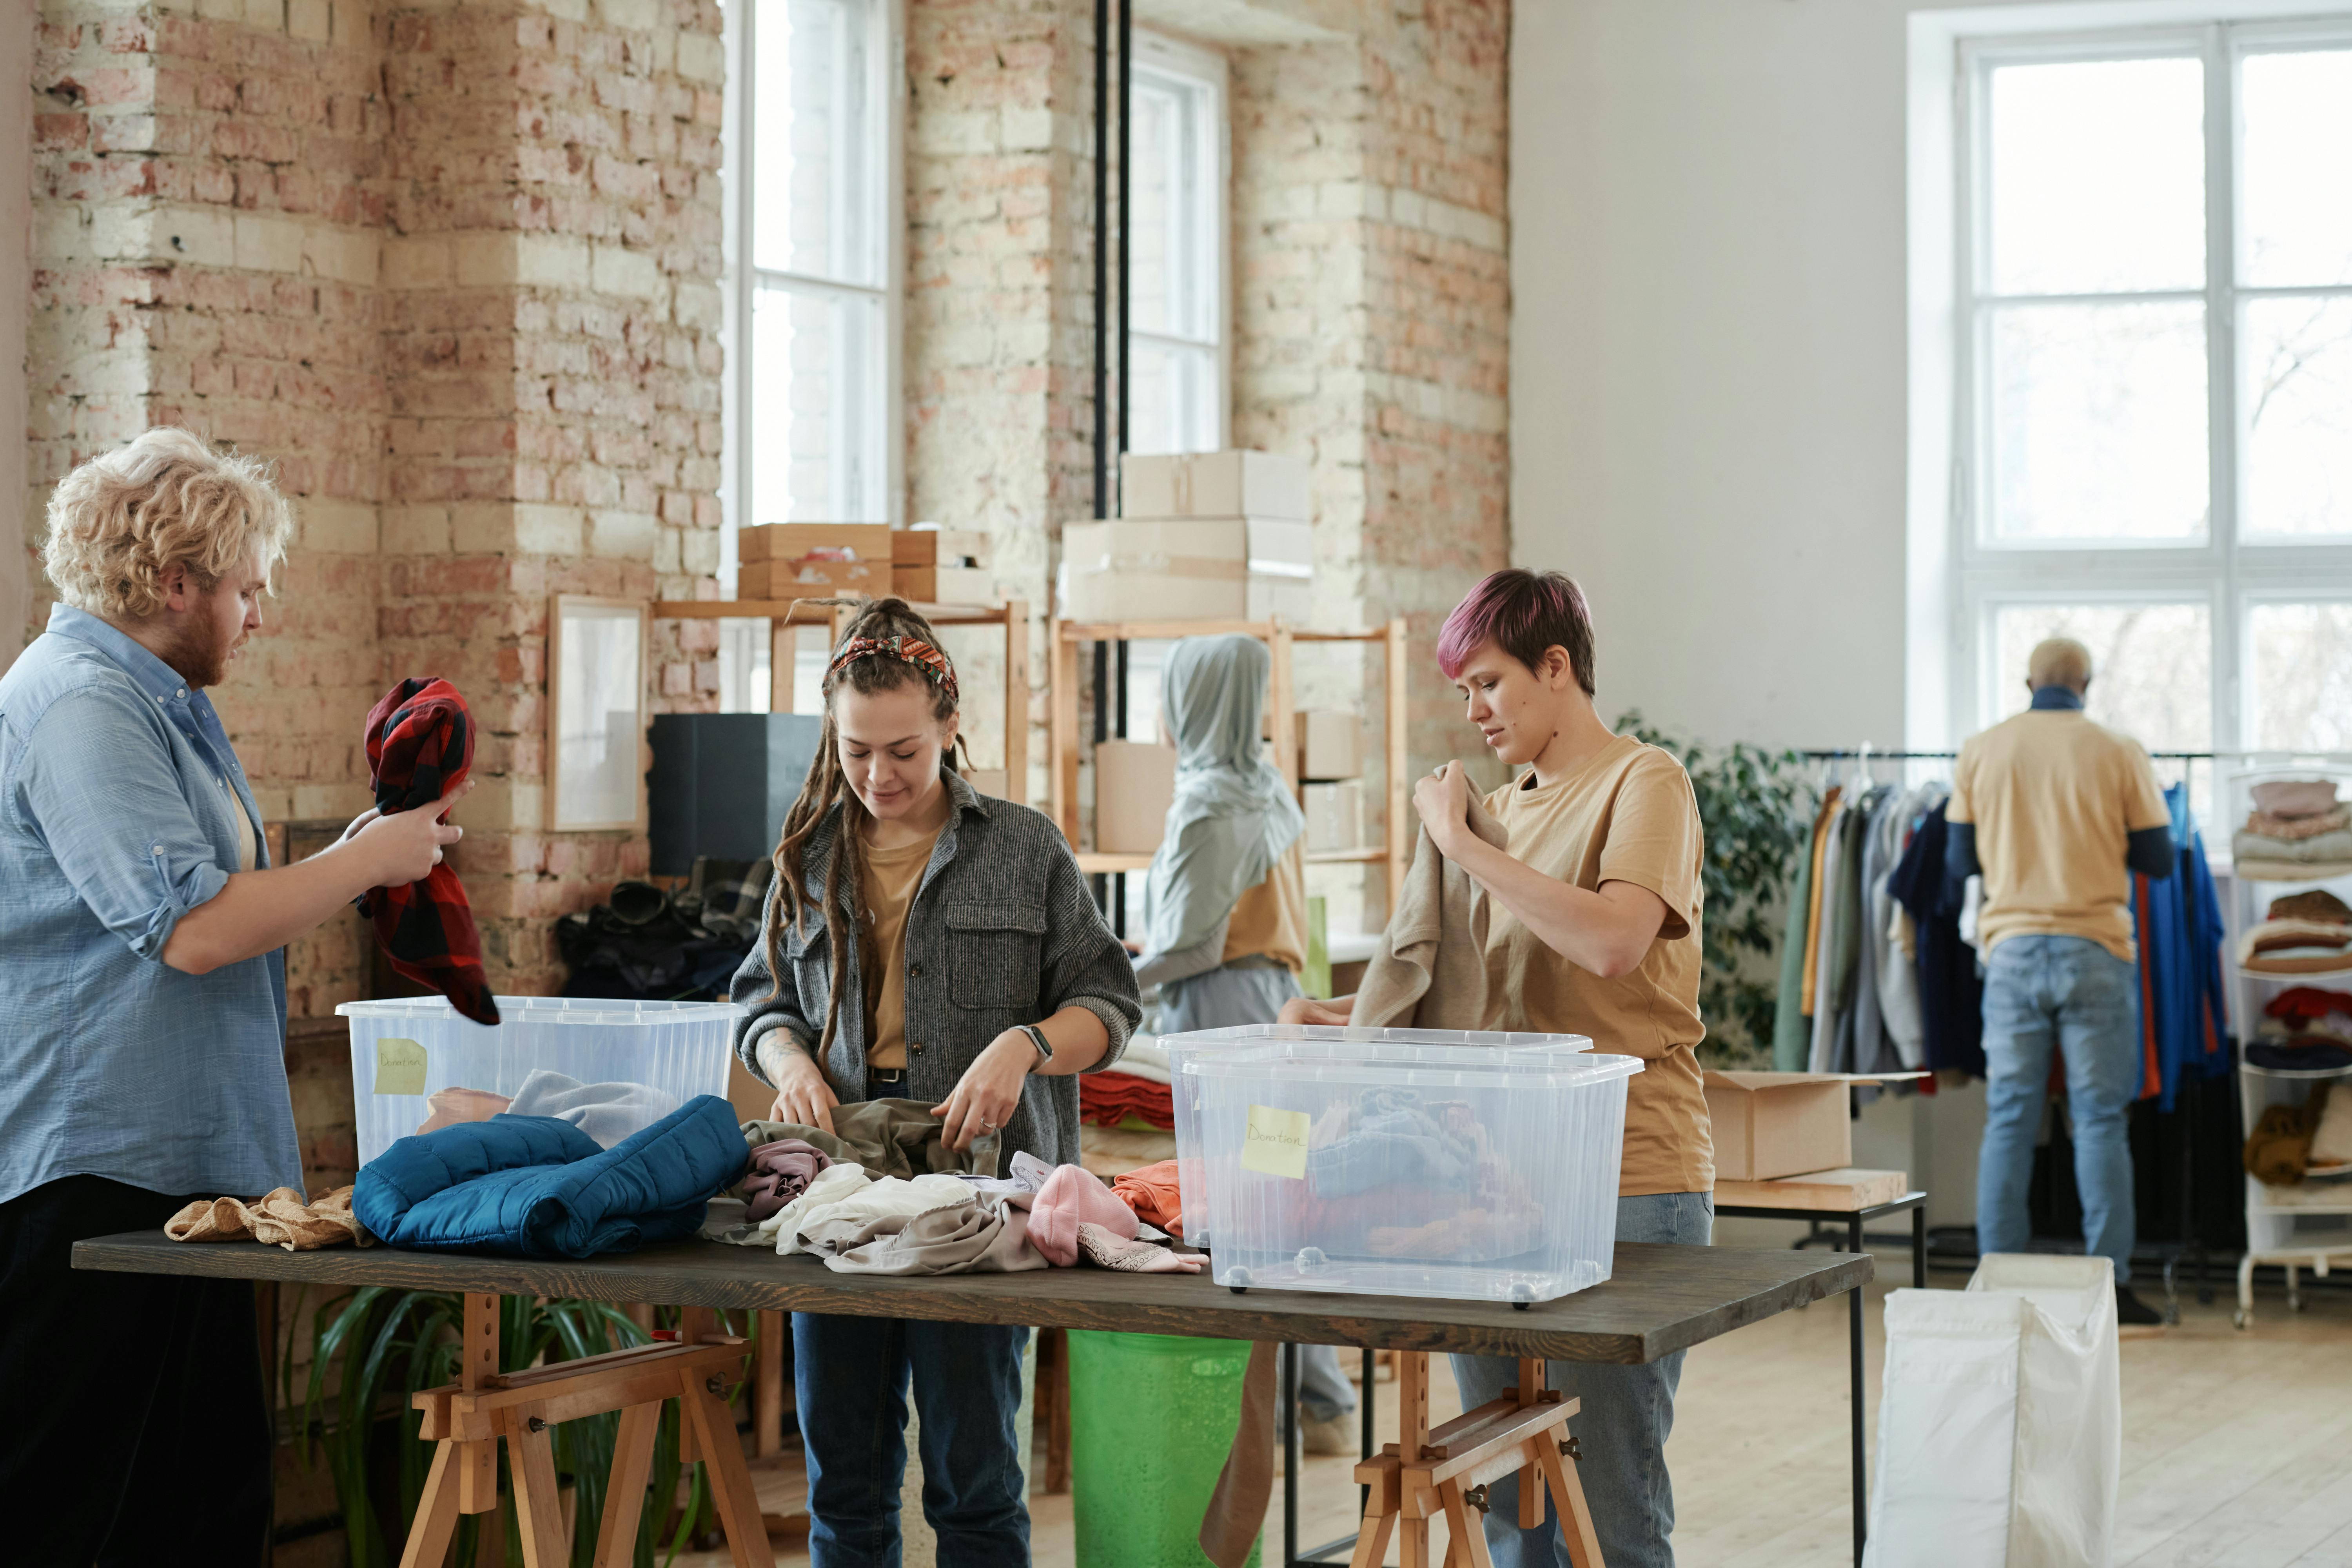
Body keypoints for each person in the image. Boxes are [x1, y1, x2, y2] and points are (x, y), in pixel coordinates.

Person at [0, 429, 468, 1564]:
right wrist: (362, 863)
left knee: (206, 1509)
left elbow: (219, 896)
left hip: (182, 1170)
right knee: (76, 1515)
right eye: (245, 590)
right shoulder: (79, 705)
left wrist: (361, 850)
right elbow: (196, 931)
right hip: (92, 1176)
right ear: (175, 582)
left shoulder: (152, 700)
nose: (258, 616)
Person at [1282, 568, 1711, 1568]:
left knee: (1612, 1509)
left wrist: (1459, 844)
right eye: (1463, 690)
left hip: (1627, 1182)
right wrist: (1341, 1020)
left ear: (1556, 667)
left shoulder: (1645, 782)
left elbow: (1612, 942)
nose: (1473, 710)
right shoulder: (1501, 811)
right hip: (1494, 1188)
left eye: (1488, 683)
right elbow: (1479, 1003)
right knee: (1513, 1504)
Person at [731, 596, 1141, 1566]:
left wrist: (1025, 1045)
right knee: (847, 1491)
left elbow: (1110, 1003)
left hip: (980, 1194)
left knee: (976, 1486)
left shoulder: (1025, 847)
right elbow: (761, 1003)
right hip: (842, 1195)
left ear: (951, 725)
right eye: (856, 750)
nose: (879, 775)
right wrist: (789, 1059)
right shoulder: (805, 856)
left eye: (904, 750)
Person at [1125, 635, 1359, 1450]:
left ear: (1192, 704)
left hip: (1224, 1021)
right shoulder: (1267, 787)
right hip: (1274, 1010)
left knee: (1242, 1213)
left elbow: (1193, 946)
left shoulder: (1209, 804)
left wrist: (1110, 985)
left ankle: (1272, 1415)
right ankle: (1323, 1403)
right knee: (1281, 1207)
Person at [1947, 636, 2174, 1327]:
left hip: (2013, 949)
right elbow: (2160, 858)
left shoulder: (1982, 750)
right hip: (2095, 947)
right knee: (2100, 1121)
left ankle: (1997, 1284)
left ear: (2028, 683)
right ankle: (2112, 1288)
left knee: (2010, 1118)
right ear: (2088, 684)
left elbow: (1959, 862)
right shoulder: (2119, 751)